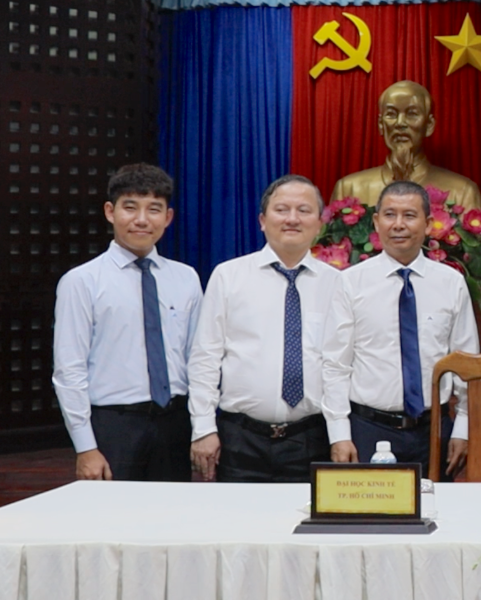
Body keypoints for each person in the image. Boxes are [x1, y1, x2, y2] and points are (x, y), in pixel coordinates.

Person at [52, 164, 202, 481]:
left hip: (175, 422)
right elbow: (69, 370)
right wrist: (85, 447)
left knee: (173, 521)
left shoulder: (186, 278)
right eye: (130, 208)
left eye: (154, 210)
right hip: (114, 426)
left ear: (168, 217)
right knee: (112, 526)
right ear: (110, 211)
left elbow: (197, 358)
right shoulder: (82, 281)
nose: (142, 220)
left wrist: (202, 427)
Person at [321, 181, 478, 478]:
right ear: (376, 221)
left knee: (436, 515)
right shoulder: (351, 282)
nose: (399, 225)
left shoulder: (450, 282)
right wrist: (339, 433)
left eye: (409, 215)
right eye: (390, 215)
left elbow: (466, 363)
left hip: (434, 431)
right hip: (367, 429)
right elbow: (335, 364)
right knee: (368, 521)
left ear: (428, 224)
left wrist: (464, 428)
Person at [187, 175, 338, 482]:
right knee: (240, 528)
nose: (292, 218)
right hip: (241, 438)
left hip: (312, 437)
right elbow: (205, 358)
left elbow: (340, 366)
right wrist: (203, 427)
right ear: (262, 220)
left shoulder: (337, 284)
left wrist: (339, 435)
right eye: (282, 209)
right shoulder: (228, 276)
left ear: (320, 223)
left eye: (304, 210)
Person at [331, 80, 481, 211]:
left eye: (412, 114)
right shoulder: (349, 189)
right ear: (380, 125)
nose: (400, 123)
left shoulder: (462, 192)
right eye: (391, 114)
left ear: (429, 125)